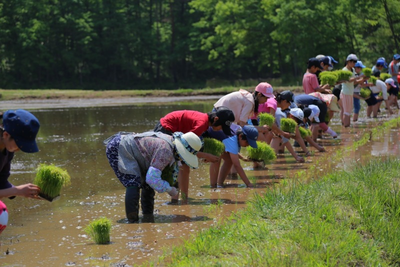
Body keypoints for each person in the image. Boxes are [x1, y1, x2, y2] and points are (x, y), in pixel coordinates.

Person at [105, 131, 202, 223]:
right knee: (133, 182)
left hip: (133, 150)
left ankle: (148, 217)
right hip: (119, 148)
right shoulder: (166, 151)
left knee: (147, 185)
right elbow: (152, 179)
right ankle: (132, 222)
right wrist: (169, 189)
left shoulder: (171, 143)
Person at [153, 107, 235, 203]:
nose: (220, 129)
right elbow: (185, 148)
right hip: (166, 129)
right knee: (177, 166)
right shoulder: (201, 124)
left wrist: (204, 155)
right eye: (221, 126)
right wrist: (206, 155)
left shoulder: (204, 122)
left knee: (184, 167)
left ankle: (183, 199)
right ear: (216, 119)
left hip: (174, 130)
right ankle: (176, 200)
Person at [0, 110, 41, 200]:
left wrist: (28, 192)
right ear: (6, 135)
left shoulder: (8, 150)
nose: (20, 148)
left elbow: (2, 183)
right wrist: (17, 191)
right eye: (19, 143)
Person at [270, 91, 305, 163]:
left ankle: (270, 162)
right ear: (284, 101)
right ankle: (269, 161)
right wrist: (296, 156)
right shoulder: (280, 114)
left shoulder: (277, 109)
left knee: (277, 135)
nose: (289, 106)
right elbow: (285, 139)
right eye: (289, 103)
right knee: (277, 136)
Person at [341, 54, 366, 127]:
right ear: (348, 61)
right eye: (352, 62)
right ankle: (346, 128)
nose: (354, 63)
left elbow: (354, 82)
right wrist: (360, 76)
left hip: (350, 92)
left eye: (355, 62)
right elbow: (348, 80)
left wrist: (362, 80)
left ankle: (347, 127)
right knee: (346, 112)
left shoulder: (353, 70)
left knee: (349, 111)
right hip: (345, 92)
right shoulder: (345, 70)